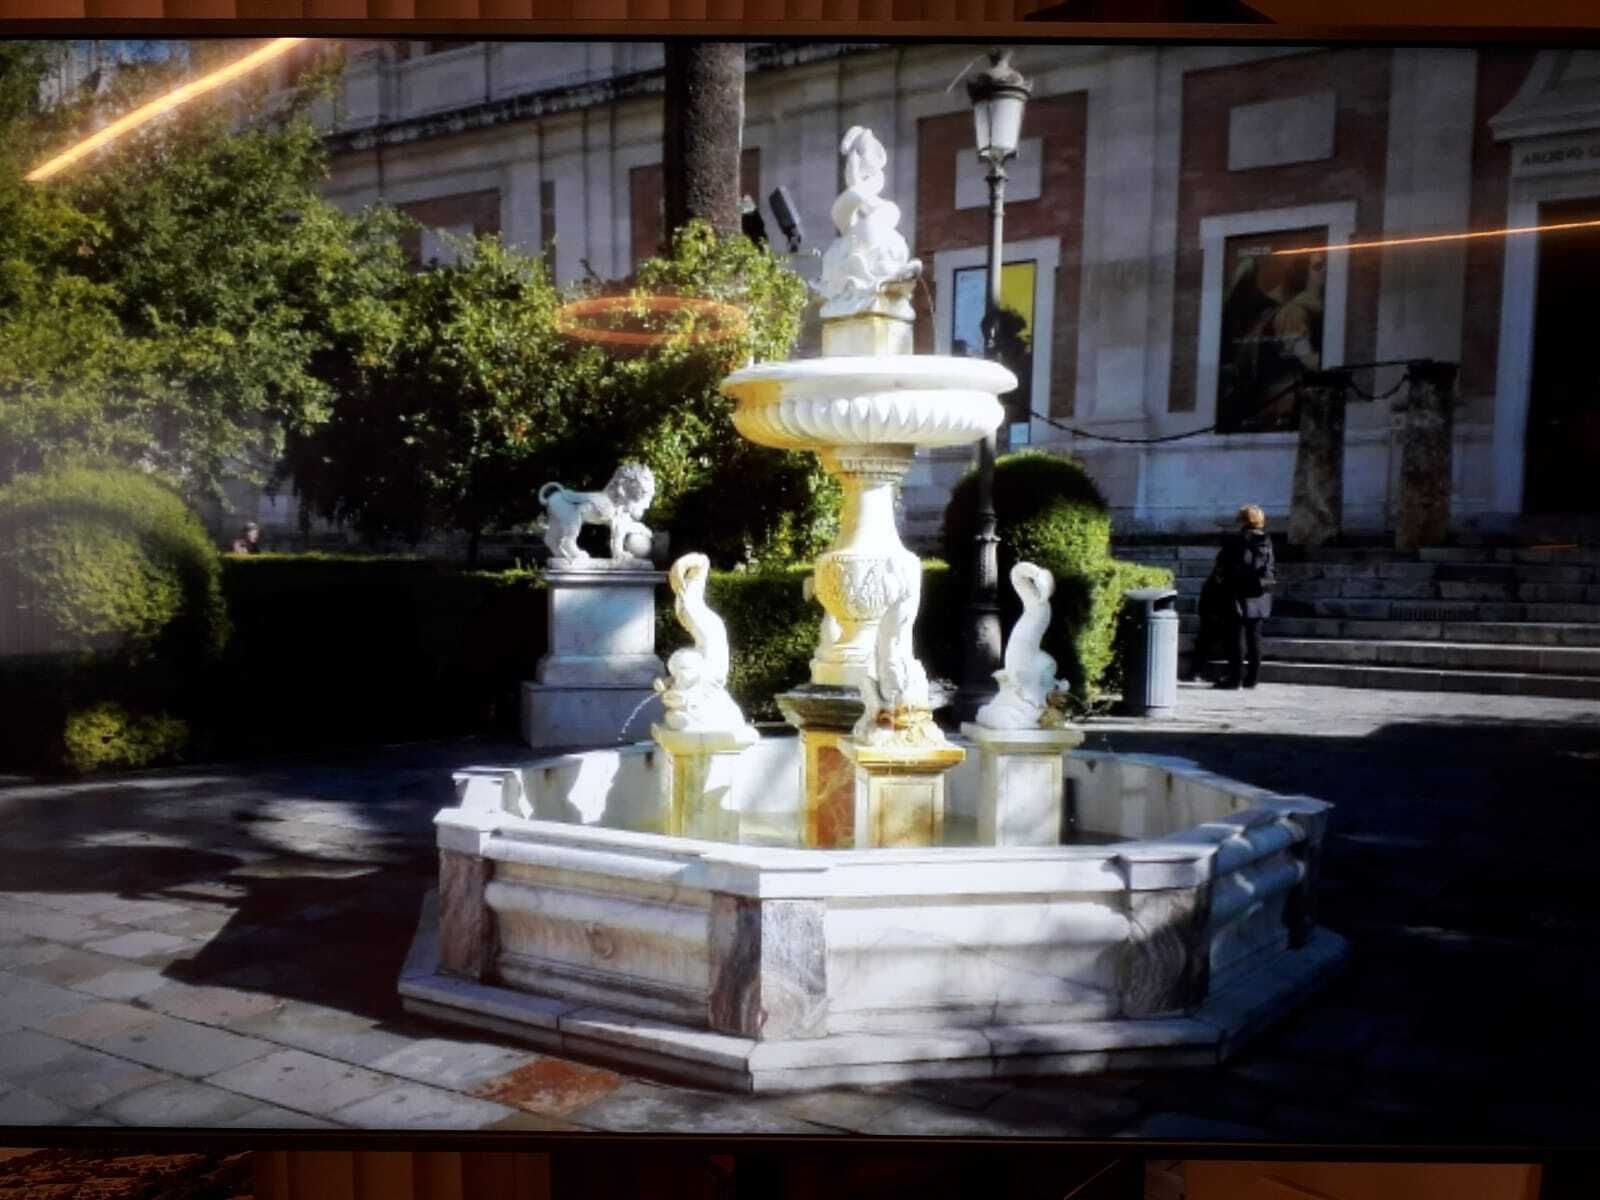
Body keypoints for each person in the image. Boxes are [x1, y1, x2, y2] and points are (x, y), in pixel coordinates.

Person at [1211, 504, 1275, 690]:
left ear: (1244, 521)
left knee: (1236, 638)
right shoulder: (1267, 542)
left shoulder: (1237, 541)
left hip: (1238, 593)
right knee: (1255, 638)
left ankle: (1235, 678)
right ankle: (1252, 678)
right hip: (1260, 594)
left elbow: (1223, 567)